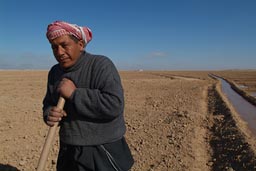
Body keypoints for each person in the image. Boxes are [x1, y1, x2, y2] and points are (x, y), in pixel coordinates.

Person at [43, 21, 134, 171]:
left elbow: (114, 104)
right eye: (54, 47)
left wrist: (74, 94)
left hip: (102, 148)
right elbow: (48, 103)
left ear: (80, 44)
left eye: (64, 45)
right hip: (69, 148)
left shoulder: (100, 65)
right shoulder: (54, 72)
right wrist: (49, 113)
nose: (59, 52)